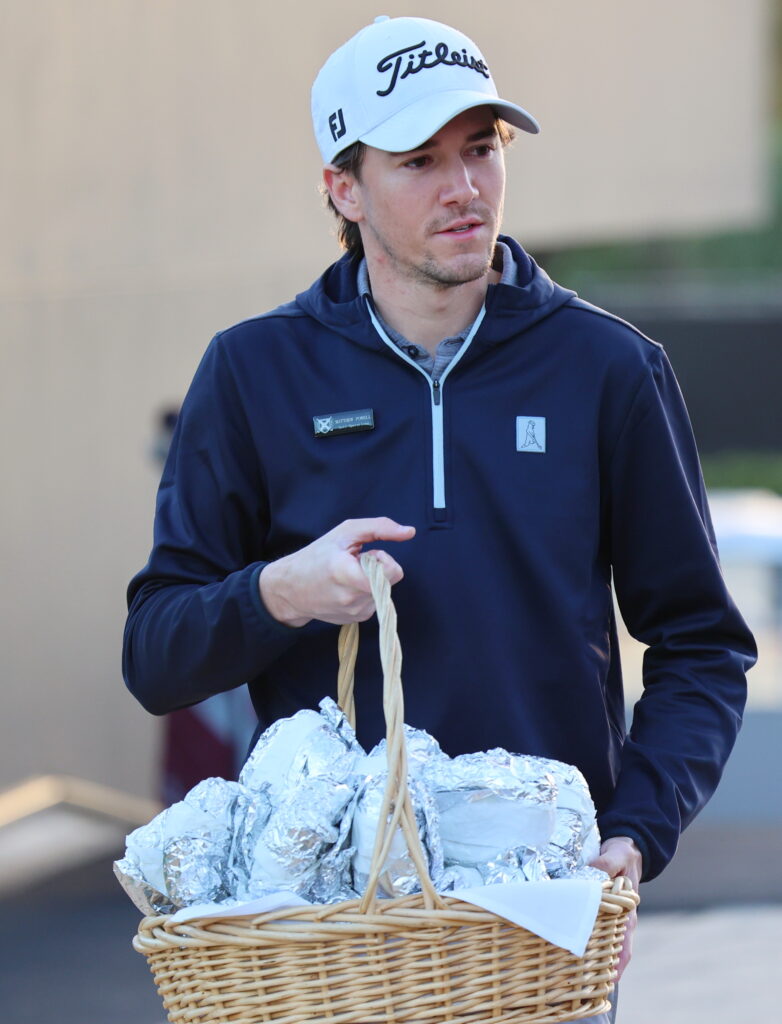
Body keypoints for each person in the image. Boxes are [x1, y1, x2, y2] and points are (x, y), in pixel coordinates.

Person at [122, 15, 756, 1022]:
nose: (464, 187)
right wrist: (280, 592)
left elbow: (701, 646)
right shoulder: (252, 373)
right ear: (343, 188)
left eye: (481, 149)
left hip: (540, 930)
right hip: (327, 942)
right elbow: (156, 656)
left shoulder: (608, 369)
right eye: (418, 160)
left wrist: (635, 833)